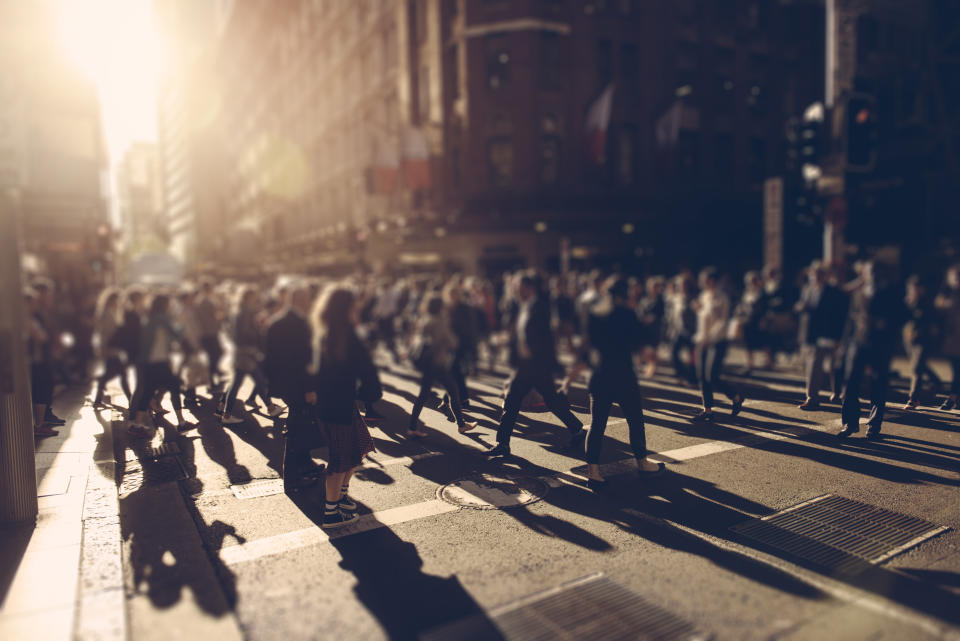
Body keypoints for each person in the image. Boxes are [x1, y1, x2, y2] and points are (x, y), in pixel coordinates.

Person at [562, 277, 665, 489]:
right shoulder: (627, 314)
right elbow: (641, 343)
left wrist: (571, 376)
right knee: (635, 420)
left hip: (599, 376)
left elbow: (586, 345)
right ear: (625, 294)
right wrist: (652, 360)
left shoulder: (594, 313)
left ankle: (593, 472)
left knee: (597, 425)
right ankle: (642, 463)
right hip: (623, 375)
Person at [486, 272, 584, 457]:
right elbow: (519, 333)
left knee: (540, 401)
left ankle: (577, 429)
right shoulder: (520, 306)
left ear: (529, 288)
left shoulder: (541, 307)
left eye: (519, 287)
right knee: (519, 402)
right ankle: (503, 444)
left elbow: (547, 338)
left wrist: (552, 365)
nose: (515, 290)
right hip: (525, 365)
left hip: (537, 365)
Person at [307, 285, 382, 528]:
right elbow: (366, 369)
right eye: (354, 304)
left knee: (357, 450)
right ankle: (331, 512)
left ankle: (340, 497)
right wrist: (369, 392)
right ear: (347, 308)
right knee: (340, 460)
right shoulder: (345, 335)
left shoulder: (326, 332)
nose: (358, 307)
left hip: (334, 404)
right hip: (337, 406)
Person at [837, 261, 907, 439]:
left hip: (880, 344)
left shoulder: (891, 292)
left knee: (878, 384)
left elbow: (902, 316)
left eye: (875, 270)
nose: (872, 274)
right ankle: (849, 423)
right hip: (857, 343)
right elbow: (850, 319)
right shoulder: (859, 292)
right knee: (850, 382)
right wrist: (843, 344)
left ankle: (874, 426)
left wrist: (884, 324)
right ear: (864, 274)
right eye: (869, 271)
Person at [265, 285, 321, 489]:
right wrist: (309, 388)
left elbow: (269, 358)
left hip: (285, 383)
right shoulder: (297, 323)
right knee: (298, 427)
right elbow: (302, 359)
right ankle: (293, 474)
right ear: (301, 300)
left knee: (300, 424)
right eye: (308, 297)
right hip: (298, 385)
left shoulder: (277, 321)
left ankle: (305, 464)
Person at [407, 295, 477, 437]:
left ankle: (460, 424)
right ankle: (461, 425)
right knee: (452, 390)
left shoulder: (425, 319)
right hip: (436, 362)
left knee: (434, 393)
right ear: (440, 307)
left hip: (428, 362)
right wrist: (453, 341)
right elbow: (450, 341)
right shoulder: (438, 322)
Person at [128, 294, 192, 438]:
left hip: (151, 361)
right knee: (174, 386)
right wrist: (183, 322)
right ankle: (181, 423)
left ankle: (137, 424)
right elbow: (176, 334)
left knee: (149, 391)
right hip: (157, 361)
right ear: (164, 305)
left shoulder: (151, 318)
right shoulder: (161, 319)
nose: (170, 306)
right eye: (168, 304)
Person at [221, 287, 282, 424]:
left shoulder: (238, 311)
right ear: (248, 298)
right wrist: (259, 330)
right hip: (247, 352)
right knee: (259, 381)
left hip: (240, 352)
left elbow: (233, 332)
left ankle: (226, 414)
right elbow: (246, 332)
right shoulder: (247, 312)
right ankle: (270, 407)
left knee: (237, 383)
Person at [692, 267, 745, 422]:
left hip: (717, 340)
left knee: (711, 375)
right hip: (702, 340)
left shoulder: (722, 297)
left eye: (705, 279)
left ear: (713, 281)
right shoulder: (703, 296)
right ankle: (707, 410)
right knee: (702, 376)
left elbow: (723, 321)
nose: (702, 282)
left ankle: (736, 396)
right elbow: (702, 320)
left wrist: (711, 338)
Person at [795, 262, 849, 410]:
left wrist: (838, 338)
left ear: (825, 277)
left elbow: (840, 315)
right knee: (814, 366)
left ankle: (837, 392)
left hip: (830, 334)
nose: (816, 278)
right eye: (814, 275)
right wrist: (800, 307)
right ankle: (812, 398)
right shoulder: (808, 289)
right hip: (812, 334)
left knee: (833, 366)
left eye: (819, 275)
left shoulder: (834, 292)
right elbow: (802, 306)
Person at [902, 275, 942, 409]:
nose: (914, 290)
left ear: (922, 289)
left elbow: (933, 324)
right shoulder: (908, 302)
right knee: (917, 365)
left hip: (923, 340)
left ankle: (913, 399)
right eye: (912, 288)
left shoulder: (927, 304)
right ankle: (936, 380)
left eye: (916, 288)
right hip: (908, 339)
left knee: (916, 369)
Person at [24, 289, 57, 437]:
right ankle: (39, 424)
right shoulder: (27, 319)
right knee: (41, 390)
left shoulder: (32, 317)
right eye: (33, 302)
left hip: (37, 359)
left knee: (41, 389)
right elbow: (41, 336)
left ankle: (40, 423)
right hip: (35, 360)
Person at [92, 287, 132, 408]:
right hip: (109, 347)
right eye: (118, 300)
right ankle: (131, 400)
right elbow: (105, 332)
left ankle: (98, 398)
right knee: (122, 373)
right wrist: (104, 348)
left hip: (112, 347)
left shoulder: (111, 312)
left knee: (111, 372)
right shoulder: (107, 314)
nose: (119, 302)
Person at [733, 271, 769, 374]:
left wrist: (764, 319)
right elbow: (742, 305)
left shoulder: (762, 293)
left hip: (758, 320)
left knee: (763, 341)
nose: (751, 283)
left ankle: (768, 361)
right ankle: (750, 363)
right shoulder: (746, 293)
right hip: (747, 321)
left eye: (753, 281)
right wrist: (739, 310)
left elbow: (765, 307)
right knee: (748, 343)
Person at [935, 264, 960, 410]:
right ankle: (954, 397)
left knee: (957, 370)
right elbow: (939, 313)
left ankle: (952, 398)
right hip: (951, 339)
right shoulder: (946, 294)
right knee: (956, 369)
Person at [195, 280, 225, 389]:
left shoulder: (202, 300)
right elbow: (218, 313)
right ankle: (210, 378)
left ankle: (212, 375)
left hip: (208, 331)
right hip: (209, 332)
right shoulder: (206, 301)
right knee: (216, 355)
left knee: (215, 355)